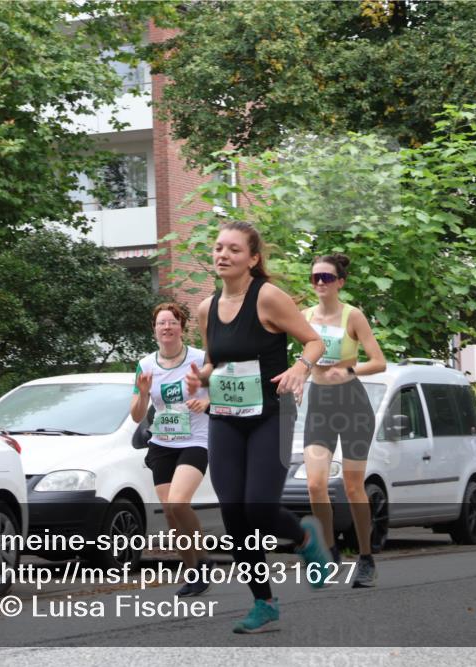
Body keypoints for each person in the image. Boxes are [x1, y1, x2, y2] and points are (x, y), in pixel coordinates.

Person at [184, 221, 330, 634]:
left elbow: (314, 342)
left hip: (271, 415)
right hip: (226, 417)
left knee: (259, 509)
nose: (223, 255)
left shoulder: (266, 296)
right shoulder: (206, 308)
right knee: (234, 513)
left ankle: (305, 538)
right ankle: (263, 603)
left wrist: (300, 368)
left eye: (234, 249)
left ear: (252, 259)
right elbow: (215, 360)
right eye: (219, 248)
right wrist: (202, 377)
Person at [301, 253, 386, 587]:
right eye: (315, 277)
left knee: (352, 487)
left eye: (327, 277)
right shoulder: (304, 317)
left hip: (352, 403)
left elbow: (378, 361)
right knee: (315, 485)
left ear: (340, 282)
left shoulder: (353, 315)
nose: (320, 282)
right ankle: (330, 552)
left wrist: (349, 370)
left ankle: (365, 558)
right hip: (319, 403)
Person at [130, 303, 213, 596]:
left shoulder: (200, 359)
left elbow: (223, 390)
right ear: (154, 329)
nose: (167, 327)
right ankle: (193, 571)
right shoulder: (145, 365)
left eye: (172, 322)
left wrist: (207, 402)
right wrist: (143, 394)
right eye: (161, 323)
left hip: (196, 441)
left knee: (179, 503)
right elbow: (136, 415)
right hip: (162, 442)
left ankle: (203, 560)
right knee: (169, 511)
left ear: (182, 327)